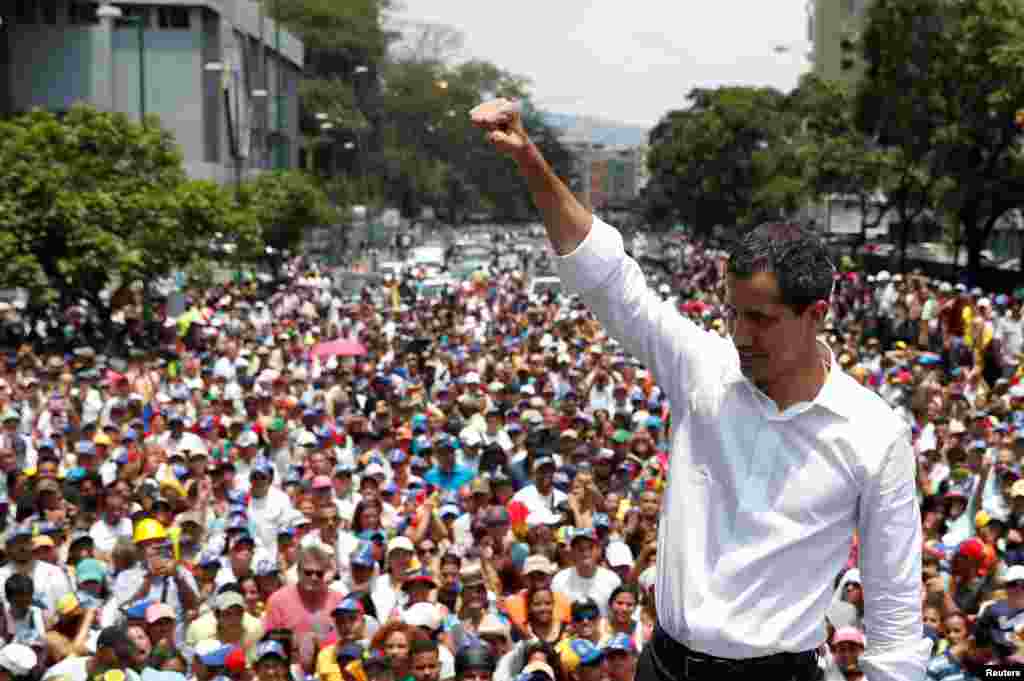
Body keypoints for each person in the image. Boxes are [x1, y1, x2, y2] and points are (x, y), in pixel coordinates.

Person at [471, 97, 930, 681]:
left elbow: (893, 614)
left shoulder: (874, 436)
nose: (740, 335)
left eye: (760, 319)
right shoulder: (702, 369)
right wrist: (530, 160)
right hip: (662, 668)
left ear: (816, 314)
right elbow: (610, 281)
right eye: (732, 314)